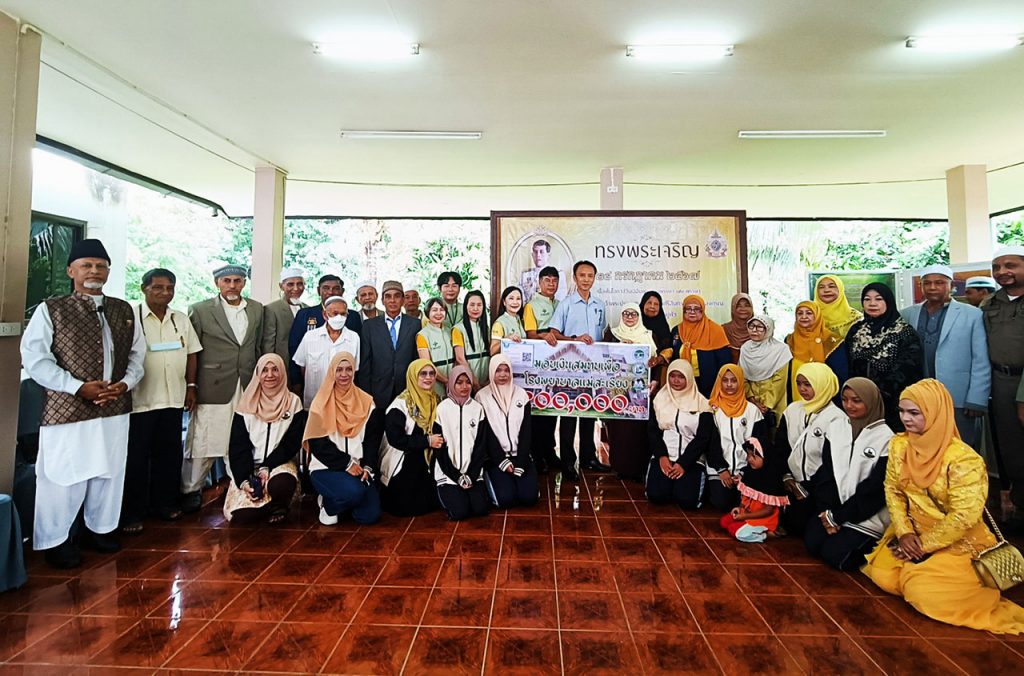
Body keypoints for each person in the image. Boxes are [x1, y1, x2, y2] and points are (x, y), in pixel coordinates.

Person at [861, 379, 1024, 634]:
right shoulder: (900, 445)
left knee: (922, 594)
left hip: (957, 542)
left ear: (936, 412)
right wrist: (904, 533)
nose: (905, 419)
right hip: (912, 534)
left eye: (914, 413)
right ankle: (919, 569)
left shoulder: (964, 459)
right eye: (902, 411)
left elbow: (964, 517)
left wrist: (922, 545)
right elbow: (893, 489)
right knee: (883, 575)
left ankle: (962, 587)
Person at [21, 239, 146, 568]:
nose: (94, 271)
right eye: (87, 265)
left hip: (114, 405)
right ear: (70, 271)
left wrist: (125, 383)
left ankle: (99, 530)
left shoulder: (123, 309)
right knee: (64, 476)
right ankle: (57, 541)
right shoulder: (52, 309)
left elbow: (137, 356)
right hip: (69, 409)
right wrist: (77, 387)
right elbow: (35, 359)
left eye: (101, 266)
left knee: (109, 472)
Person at [120, 268, 202, 535]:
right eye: (158, 287)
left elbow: (191, 353)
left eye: (169, 288)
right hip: (141, 400)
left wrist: (191, 386)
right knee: (136, 458)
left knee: (169, 454)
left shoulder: (180, 318)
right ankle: (133, 511)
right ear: (144, 288)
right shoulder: (130, 317)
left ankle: (165, 504)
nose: (164, 292)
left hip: (173, 398)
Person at [181, 264, 264, 513]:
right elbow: (192, 351)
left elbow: (257, 346)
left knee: (241, 436)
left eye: (237, 280)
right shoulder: (200, 310)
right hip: (213, 384)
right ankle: (191, 489)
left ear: (244, 283)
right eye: (226, 281)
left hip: (247, 383)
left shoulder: (256, 309)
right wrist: (191, 385)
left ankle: (240, 486)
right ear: (217, 283)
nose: (232, 285)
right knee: (204, 438)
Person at [805, 378, 893, 571]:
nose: (849, 406)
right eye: (844, 400)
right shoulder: (837, 427)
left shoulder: (887, 438)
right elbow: (827, 472)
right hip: (835, 509)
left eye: (856, 400)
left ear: (870, 401)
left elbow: (875, 489)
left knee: (836, 557)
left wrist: (838, 517)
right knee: (812, 541)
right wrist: (828, 513)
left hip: (867, 516)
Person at [900, 264, 990, 447]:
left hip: (958, 397)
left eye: (939, 283)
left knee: (961, 447)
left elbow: (980, 360)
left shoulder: (972, 315)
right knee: (924, 445)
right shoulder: (907, 314)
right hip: (919, 397)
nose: (933, 287)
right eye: (927, 283)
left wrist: (977, 398)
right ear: (921, 286)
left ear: (952, 285)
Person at [303, 352, 383, 526]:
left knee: (370, 515)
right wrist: (346, 464)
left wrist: (368, 466)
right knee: (355, 492)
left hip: (358, 468)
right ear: (332, 371)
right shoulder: (321, 403)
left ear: (354, 371)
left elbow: (371, 440)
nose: (344, 374)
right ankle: (329, 505)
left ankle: (339, 499)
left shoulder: (366, 402)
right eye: (339, 370)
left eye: (348, 369)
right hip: (326, 468)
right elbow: (318, 444)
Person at [224, 354, 305, 524]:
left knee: (282, 484)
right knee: (241, 518)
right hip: (250, 467)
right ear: (258, 374)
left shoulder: (293, 403)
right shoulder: (245, 404)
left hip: (279, 464)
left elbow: (291, 443)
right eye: (265, 370)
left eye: (275, 369)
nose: (270, 375)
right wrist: (244, 480)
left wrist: (268, 466)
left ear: (282, 372)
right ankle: (267, 507)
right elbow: (238, 446)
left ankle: (278, 505)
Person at [547, 260, 610, 478]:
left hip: (593, 369)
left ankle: (588, 458)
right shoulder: (566, 304)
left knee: (589, 413)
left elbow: (603, 334)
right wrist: (575, 339)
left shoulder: (600, 305)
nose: (586, 279)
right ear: (575, 278)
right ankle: (567, 462)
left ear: (594, 278)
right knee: (568, 415)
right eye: (582, 275)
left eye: (590, 275)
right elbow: (554, 333)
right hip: (569, 369)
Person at [776, 363, 845, 535]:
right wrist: (786, 475)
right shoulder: (792, 410)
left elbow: (832, 463)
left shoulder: (837, 418)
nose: (802, 389)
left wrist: (807, 485)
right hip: (791, 482)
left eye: (808, 384)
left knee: (807, 530)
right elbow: (781, 446)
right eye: (799, 384)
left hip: (820, 486)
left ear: (823, 384)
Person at [983, 245, 1024, 526]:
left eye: (1010, 265)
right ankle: (1020, 506)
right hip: (1000, 382)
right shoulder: (989, 304)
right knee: (1012, 448)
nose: (1002, 272)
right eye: (996, 267)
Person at [846, 282, 923, 431]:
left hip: (892, 404)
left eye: (878, 299)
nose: (872, 303)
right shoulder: (855, 331)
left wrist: (877, 394)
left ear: (888, 301)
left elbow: (907, 371)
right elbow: (849, 366)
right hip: (858, 402)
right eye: (867, 299)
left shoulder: (904, 333)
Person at [645, 360, 721, 509]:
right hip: (665, 457)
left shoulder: (702, 404)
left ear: (689, 378)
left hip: (691, 459)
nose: (676, 380)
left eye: (681, 377)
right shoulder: (659, 400)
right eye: (672, 376)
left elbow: (703, 438)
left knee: (687, 501)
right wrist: (662, 457)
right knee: (656, 496)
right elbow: (653, 431)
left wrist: (683, 464)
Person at [603, 303, 659, 482]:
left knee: (639, 432)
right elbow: (603, 357)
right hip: (618, 391)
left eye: (633, 314)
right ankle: (620, 467)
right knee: (620, 431)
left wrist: (655, 380)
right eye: (625, 314)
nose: (629, 317)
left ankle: (639, 469)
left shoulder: (648, 335)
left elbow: (655, 362)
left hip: (640, 392)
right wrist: (621, 347)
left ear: (639, 316)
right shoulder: (612, 334)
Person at [379, 359, 442, 516]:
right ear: (413, 376)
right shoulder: (400, 405)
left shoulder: (437, 400)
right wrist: (427, 441)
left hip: (428, 460)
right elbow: (396, 439)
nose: (428, 378)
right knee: (405, 507)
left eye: (432, 373)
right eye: (423, 374)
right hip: (403, 459)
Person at [706, 364, 770, 511]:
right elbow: (709, 443)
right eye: (725, 380)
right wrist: (722, 470)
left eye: (734, 380)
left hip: (746, 469)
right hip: (719, 469)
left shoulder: (752, 411)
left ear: (740, 382)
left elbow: (759, 444)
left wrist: (744, 472)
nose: (729, 385)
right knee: (722, 503)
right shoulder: (712, 409)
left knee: (744, 504)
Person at [479, 355, 539, 508]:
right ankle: (489, 477)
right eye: (498, 370)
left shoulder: (521, 395)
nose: (503, 374)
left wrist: (522, 461)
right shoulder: (482, 397)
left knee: (529, 498)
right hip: (495, 458)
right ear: (491, 371)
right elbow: (487, 434)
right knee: (505, 499)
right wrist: (502, 461)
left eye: (506, 370)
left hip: (520, 455)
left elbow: (526, 432)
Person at [434, 366, 491, 521]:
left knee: (480, 510)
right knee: (460, 513)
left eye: (468, 382)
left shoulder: (477, 409)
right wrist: (457, 476)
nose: (464, 386)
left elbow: (481, 446)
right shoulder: (442, 409)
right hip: (448, 474)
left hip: (473, 472)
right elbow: (439, 449)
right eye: (459, 382)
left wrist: (471, 475)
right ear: (452, 383)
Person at [357, 280, 421, 410]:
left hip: (407, 389)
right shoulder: (370, 326)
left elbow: (417, 359)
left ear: (403, 300)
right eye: (388, 296)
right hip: (377, 391)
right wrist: (366, 394)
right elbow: (365, 363)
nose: (392, 300)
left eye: (397, 296)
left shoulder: (415, 324)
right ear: (382, 300)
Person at [289, 275, 361, 385]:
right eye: (326, 288)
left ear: (342, 291)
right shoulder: (305, 314)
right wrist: (297, 383)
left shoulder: (353, 317)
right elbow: (295, 350)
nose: (331, 292)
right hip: (314, 385)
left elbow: (358, 357)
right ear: (319, 291)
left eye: (336, 288)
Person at [292, 295, 360, 409]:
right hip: (315, 401)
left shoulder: (354, 338)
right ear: (325, 315)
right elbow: (303, 367)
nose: (339, 317)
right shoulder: (310, 337)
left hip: (343, 403)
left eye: (343, 314)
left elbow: (354, 370)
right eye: (335, 313)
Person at [523, 266, 560, 473]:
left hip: (558, 366)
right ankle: (536, 455)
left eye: (554, 280)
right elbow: (530, 334)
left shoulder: (561, 304)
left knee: (553, 409)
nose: (551, 284)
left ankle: (549, 452)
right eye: (547, 280)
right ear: (539, 282)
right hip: (538, 366)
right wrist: (543, 335)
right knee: (538, 410)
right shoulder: (531, 306)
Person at [718, 440, 789, 543]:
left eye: (754, 456)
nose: (749, 459)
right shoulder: (750, 473)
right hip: (748, 513)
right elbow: (745, 496)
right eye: (748, 455)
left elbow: (768, 511)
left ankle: (767, 534)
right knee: (724, 522)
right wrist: (740, 508)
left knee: (737, 532)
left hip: (763, 518)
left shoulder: (772, 479)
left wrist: (745, 516)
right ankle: (745, 524)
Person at [671, 294, 732, 397]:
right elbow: (673, 356)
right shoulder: (676, 330)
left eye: (696, 309)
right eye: (688, 308)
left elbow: (725, 360)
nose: (692, 312)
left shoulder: (715, 330)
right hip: (682, 382)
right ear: (683, 310)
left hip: (710, 383)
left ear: (702, 310)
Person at [785, 301, 847, 402]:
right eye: (800, 313)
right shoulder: (789, 340)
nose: (804, 317)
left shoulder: (832, 340)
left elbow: (840, 373)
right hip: (796, 393)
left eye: (809, 313)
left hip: (825, 395)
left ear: (817, 316)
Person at [740, 315, 792, 427]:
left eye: (760, 327)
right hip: (751, 400)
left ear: (768, 329)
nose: (754, 330)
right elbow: (741, 376)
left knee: (774, 429)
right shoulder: (745, 348)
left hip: (774, 400)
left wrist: (766, 405)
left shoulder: (781, 350)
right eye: (751, 326)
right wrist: (752, 401)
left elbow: (780, 380)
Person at [261, 267, 307, 382]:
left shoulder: (307, 309)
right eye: (290, 284)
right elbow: (268, 343)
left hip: (305, 366)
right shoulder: (272, 309)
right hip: (283, 365)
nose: (296, 288)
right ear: (281, 286)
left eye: (300, 284)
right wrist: (271, 367)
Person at [416, 297, 455, 396]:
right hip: (434, 382)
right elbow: (427, 364)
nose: (438, 313)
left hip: (454, 381)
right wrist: (445, 380)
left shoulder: (450, 331)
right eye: (434, 310)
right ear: (427, 312)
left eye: (442, 310)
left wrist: (453, 380)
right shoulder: (422, 335)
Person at [452, 290, 490, 389]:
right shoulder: (458, 329)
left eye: (479, 305)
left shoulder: (486, 328)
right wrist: (473, 380)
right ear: (466, 306)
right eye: (472, 305)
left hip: (486, 381)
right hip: (467, 381)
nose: (475, 308)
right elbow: (460, 358)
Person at [640, 290, 675, 387]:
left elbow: (669, 349)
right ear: (643, 304)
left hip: (658, 374)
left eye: (656, 304)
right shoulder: (633, 325)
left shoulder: (663, 327)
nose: (652, 306)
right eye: (649, 303)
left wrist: (658, 359)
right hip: (637, 372)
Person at [814, 274, 862, 339]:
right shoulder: (808, 316)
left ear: (840, 289)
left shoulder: (855, 318)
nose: (826, 290)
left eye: (831, 286)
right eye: (821, 287)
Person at [490, 286, 526, 355]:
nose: (515, 302)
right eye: (511, 298)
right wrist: (507, 339)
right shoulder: (499, 323)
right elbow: (492, 351)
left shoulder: (520, 320)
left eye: (518, 299)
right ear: (504, 302)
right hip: (506, 360)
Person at [721, 292, 755, 362]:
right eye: (739, 306)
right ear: (733, 308)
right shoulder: (723, 330)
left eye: (747, 305)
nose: (743, 309)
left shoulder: (759, 330)